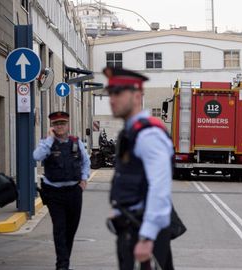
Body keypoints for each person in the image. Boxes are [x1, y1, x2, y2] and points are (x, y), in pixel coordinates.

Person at [104, 67, 174, 270]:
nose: (112, 99)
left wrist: (147, 236)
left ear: (136, 96)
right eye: (110, 93)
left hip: (142, 231)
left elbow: (160, 187)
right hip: (129, 226)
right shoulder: (130, 132)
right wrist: (118, 208)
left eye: (118, 93)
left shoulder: (148, 134)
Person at [33, 111, 90, 270]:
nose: (60, 126)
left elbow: (86, 161)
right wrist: (50, 139)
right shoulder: (46, 143)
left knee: (70, 230)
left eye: (62, 123)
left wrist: (84, 179)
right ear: (52, 126)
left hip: (74, 192)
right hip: (54, 193)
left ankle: (64, 261)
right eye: (56, 124)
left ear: (68, 125)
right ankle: (62, 265)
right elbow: (37, 156)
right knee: (59, 229)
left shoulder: (76, 142)